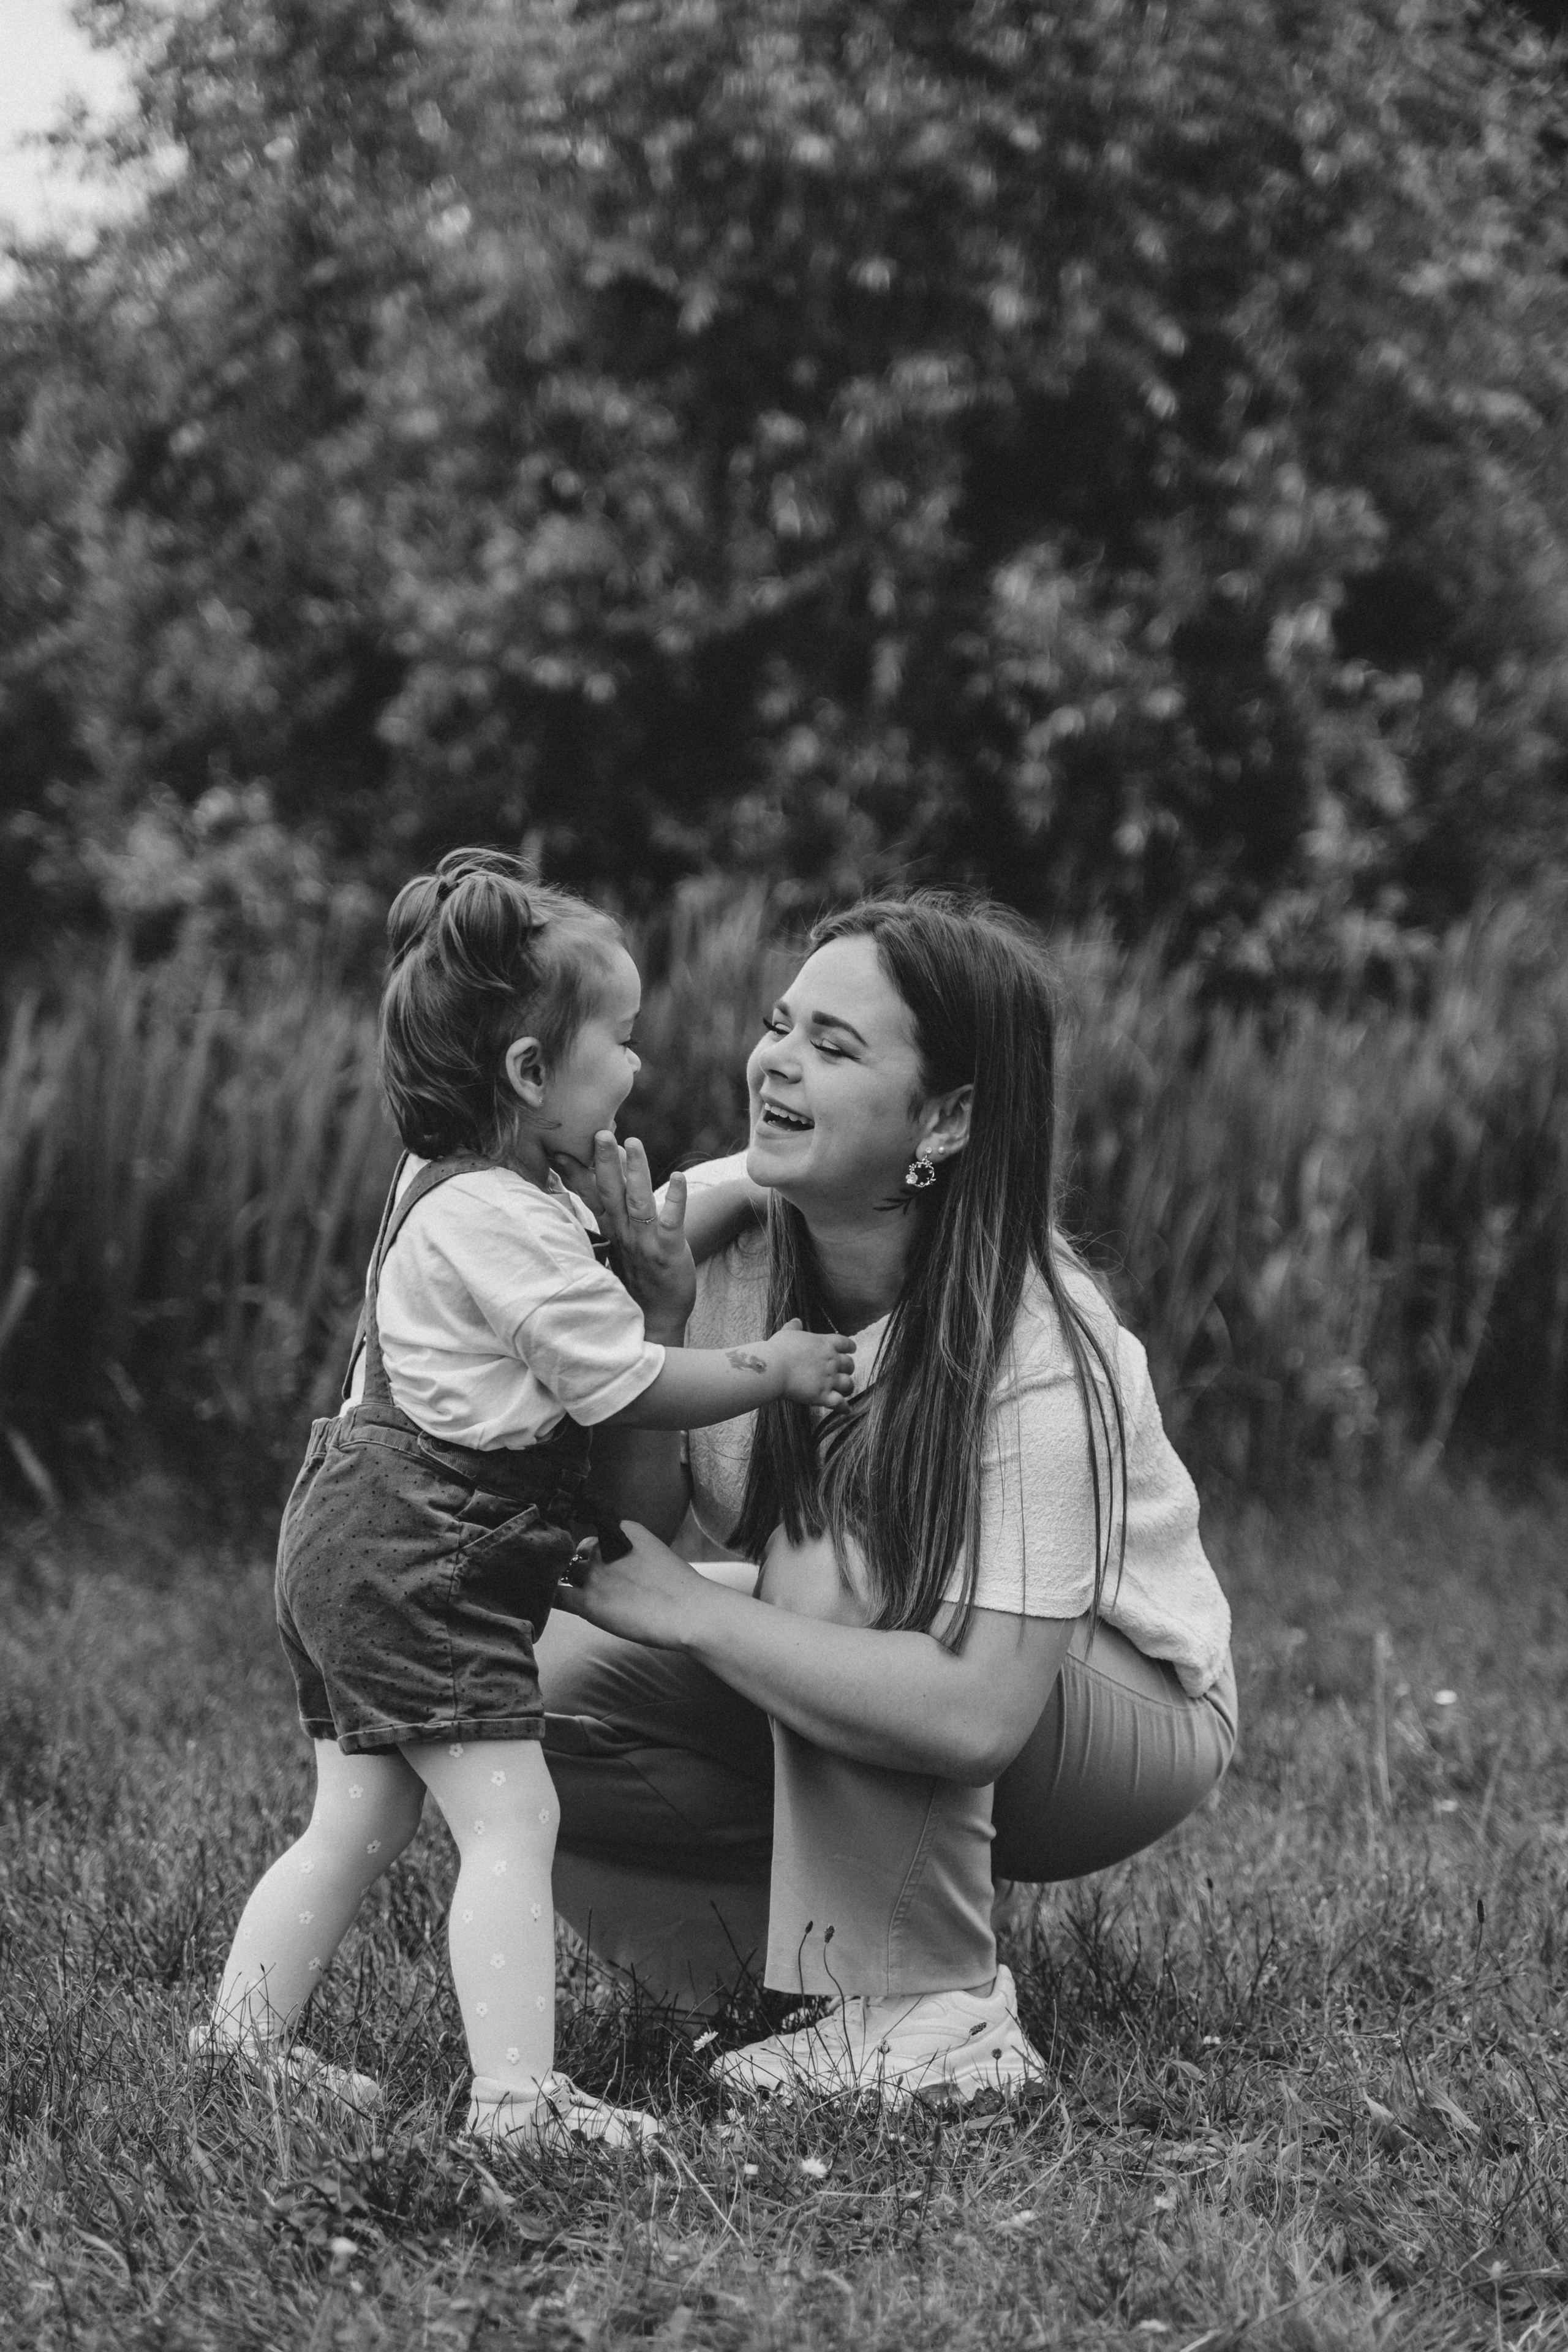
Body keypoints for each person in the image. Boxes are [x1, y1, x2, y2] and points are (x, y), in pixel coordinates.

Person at [198, 849, 854, 2152]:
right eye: (618, 1043)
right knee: (515, 1815)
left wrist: (692, 1206)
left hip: (357, 1531)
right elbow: (620, 1383)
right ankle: (515, 2102)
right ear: (529, 1076)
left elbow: (653, 1224)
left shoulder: (474, 1184)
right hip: (418, 1552)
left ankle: (244, 2045)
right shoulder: (496, 1221)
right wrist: (766, 1368)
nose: (639, 1070)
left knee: (361, 1811)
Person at [543, 891, 1237, 2105]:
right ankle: (793, 1991)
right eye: (780, 1024)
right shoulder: (730, 1237)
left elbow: (975, 1716)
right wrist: (648, 1321)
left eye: (835, 1045)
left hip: (1108, 1709)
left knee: (826, 1560)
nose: (775, 1061)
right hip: (882, 1633)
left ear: (947, 1118)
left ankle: (933, 2011)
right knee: (532, 1660)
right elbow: (633, 1542)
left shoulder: (1034, 1341)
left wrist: (698, 1613)